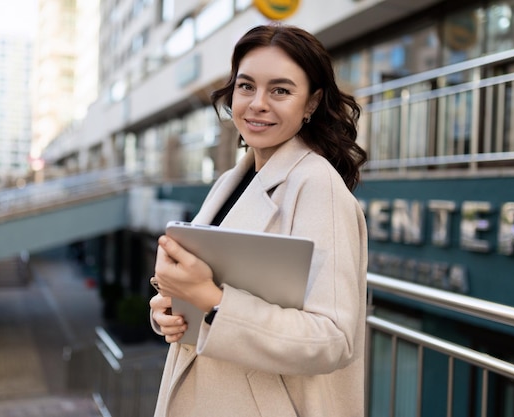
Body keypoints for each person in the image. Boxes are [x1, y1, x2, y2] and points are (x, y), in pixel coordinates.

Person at [149, 23, 368, 417]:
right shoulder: (229, 181)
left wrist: (213, 303)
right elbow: (208, 285)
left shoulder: (317, 185)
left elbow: (333, 339)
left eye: (280, 90)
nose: (257, 103)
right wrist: (170, 309)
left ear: (312, 103)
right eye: (246, 86)